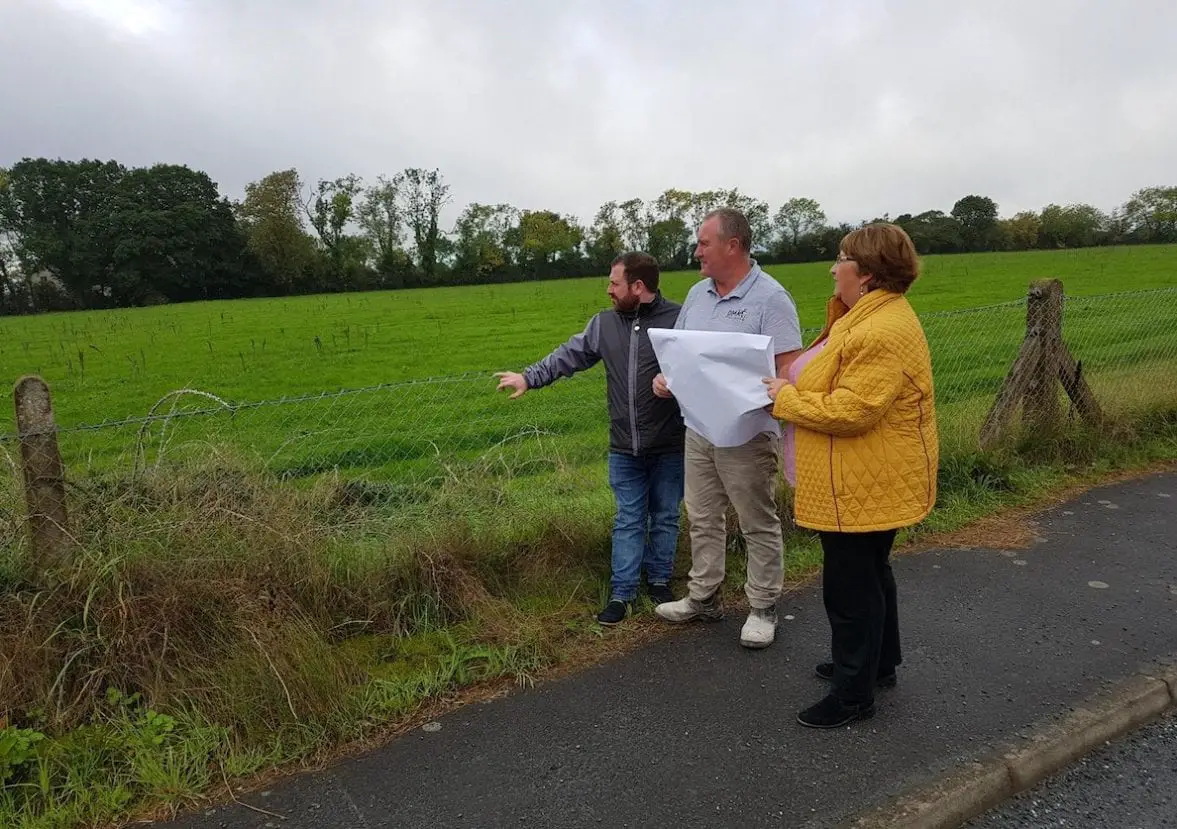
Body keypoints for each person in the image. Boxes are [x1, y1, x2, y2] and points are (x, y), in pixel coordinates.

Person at [763, 222, 938, 728]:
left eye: (840, 259)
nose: (832, 268)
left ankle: (853, 694)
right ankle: (874, 665)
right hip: (863, 477)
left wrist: (784, 398)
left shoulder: (880, 330)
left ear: (865, 274)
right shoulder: (865, 318)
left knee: (850, 587)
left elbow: (854, 409)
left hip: (861, 481)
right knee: (870, 575)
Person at [495, 252, 685, 626]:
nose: (608, 290)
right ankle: (622, 594)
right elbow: (569, 355)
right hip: (623, 447)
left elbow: (700, 369)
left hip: (670, 444)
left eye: (615, 283)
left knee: (665, 516)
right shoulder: (603, 325)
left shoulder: (679, 320)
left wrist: (675, 385)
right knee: (629, 518)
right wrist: (528, 378)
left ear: (638, 287)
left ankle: (661, 583)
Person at [652, 208, 803, 649]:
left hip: (747, 433)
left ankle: (762, 607)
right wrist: (666, 380)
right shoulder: (698, 295)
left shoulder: (772, 299)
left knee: (756, 519)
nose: (697, 251)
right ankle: (704, 598)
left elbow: (787, 369)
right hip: (699, 427)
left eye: (704, 243)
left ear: (732, 246)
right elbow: (680, 354)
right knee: (701, 516)